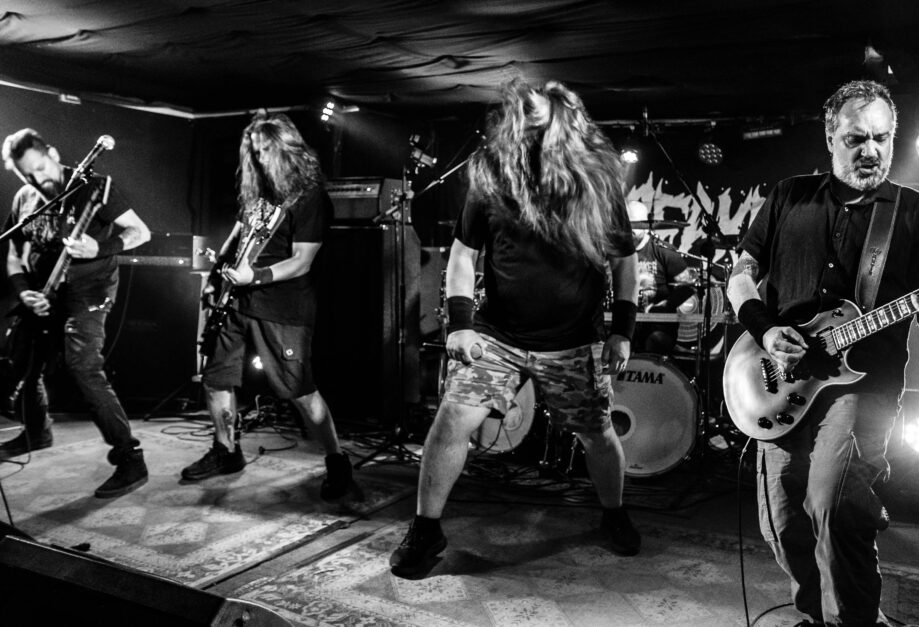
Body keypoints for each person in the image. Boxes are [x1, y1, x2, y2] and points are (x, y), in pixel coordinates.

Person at [726, 80, 919, 627]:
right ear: (831, 137)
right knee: (781, 519)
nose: (871, 150)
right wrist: (765, 330)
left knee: (834, 507)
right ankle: (817, 616)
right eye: (857, 138)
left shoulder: (915, 212)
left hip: (863, 386)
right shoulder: (788, 196)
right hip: (783, 377)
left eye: (883, 137)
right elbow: (740, 275)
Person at [389, 79, 640, 578]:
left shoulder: (597, 184)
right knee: (452, 420)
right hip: (498, 336)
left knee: (597, 432)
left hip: (573, 340)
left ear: (564, 124)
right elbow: (463, 254)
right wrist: (460, 324)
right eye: (523, 119)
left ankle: (613, 513)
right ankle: (425, 528)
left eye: (538, 118)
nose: (527, 127)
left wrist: (623, 330)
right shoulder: (495, 178)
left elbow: (624, 262)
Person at [179, 113, 357, 501]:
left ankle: (337, 461)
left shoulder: (309, 197)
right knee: (216, 378)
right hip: (236, 303)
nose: (259, 159)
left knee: (299, 391)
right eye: (254, 151)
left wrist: (255, 277)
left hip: (283, 309)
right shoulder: (257, 192)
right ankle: (226, 450)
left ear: (287, 149)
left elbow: (302, 261)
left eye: (265, 150)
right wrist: (216, 279)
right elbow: (238, 237)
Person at [1, 128, 151, 498]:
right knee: (23, 357)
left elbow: (140, 232)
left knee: (82, 365)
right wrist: (24, 291)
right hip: (44, 292)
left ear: (52, 153)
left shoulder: (92, 187)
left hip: (90, 291)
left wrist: (100, 247)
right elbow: (15, 255)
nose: (39, 180)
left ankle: (130, 457)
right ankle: (37, 432)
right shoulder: (24, 199)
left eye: (41, 168)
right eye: (28, 175)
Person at [626, 199, 701, 355]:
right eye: (627, 224)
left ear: (647, 225)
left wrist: (665, 305)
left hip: (657, 325)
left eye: (635, 225)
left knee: (656, 341)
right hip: (625, 322)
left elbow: (690, 285)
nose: (630, 229)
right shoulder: (619, 252)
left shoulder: (663, 251)